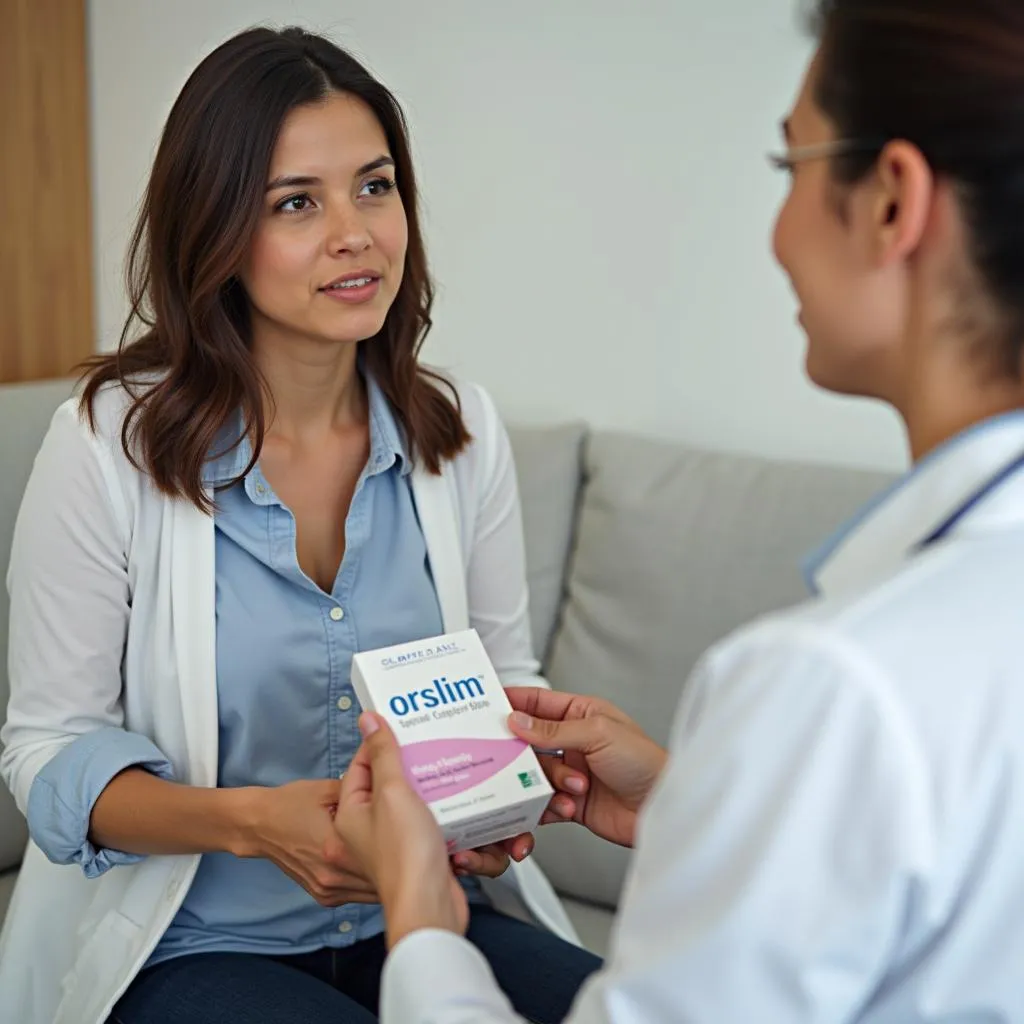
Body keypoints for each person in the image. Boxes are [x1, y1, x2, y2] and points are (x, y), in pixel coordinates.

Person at [332, 1, 1024, 1020]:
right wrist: (697, 806)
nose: (777, 233)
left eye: (788, 167)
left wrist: (419, 916)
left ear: (890, 202)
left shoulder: (826, 685)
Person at [0, 26, 601, 1024]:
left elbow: (500, 681)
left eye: (374, 186)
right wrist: (249, 825)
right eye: (295, 203)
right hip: (193, 943)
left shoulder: (461, 433)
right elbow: (47, 753)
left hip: (425, 915)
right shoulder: (106, 443)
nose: (355, 232)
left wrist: (499, 793)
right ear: (217, 233)